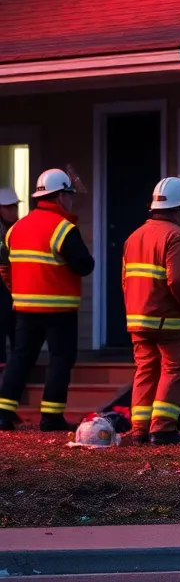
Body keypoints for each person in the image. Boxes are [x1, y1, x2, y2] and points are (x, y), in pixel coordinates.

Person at [0, 169, 94, 431]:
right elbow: (85, 265)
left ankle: (3, 414)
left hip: (25, 308)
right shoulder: (64, 229)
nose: (71, 201)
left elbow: (4, 267)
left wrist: (16, 291)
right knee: (60, 358)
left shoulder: (15, 229)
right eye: (69, 196)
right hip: (58, 309)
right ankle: (51, 417)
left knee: (21, 357)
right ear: (60, 197)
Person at [122, 176, 180, 445]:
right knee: (176, 369)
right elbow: (179, 280)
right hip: (169, 321)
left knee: (145, 370)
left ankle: (139, 430)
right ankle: (163, 429)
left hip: (137, 320)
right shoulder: (177, 236)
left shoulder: (133, 237)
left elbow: (126, 281)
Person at [0, 188, 18, 370]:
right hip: (3, 283)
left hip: (15, 283)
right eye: (8, 207)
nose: (13, 211)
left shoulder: (17, 228)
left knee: (15, 326)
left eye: (14, 207)